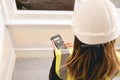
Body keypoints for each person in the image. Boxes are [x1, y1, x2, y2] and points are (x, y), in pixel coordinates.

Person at [49, 0, 120, 80]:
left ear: (78, 38)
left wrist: (68, 52)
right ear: (113, 39)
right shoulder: (116, 61)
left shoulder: (61, 59)